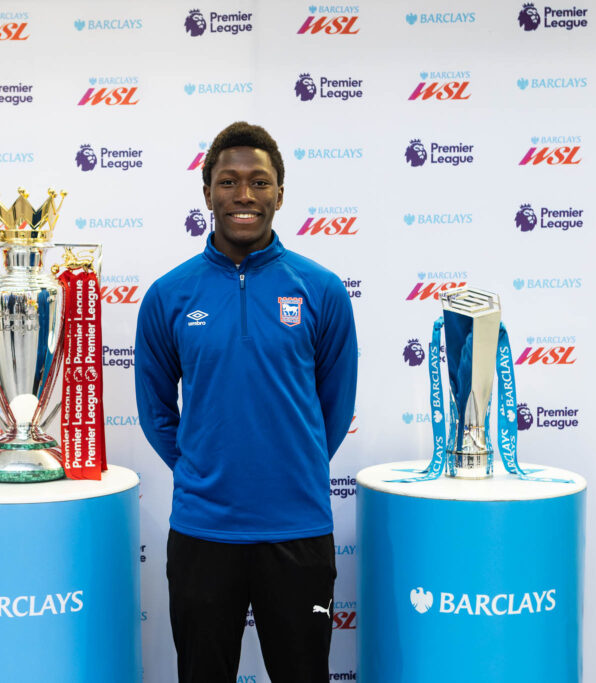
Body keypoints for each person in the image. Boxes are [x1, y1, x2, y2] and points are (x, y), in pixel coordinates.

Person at [135, 121, 358, 683]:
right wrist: (202, 468)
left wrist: (291, 466)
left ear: (280, 194)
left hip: (298, 528)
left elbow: (334, 408)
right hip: (203, 530)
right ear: (207, 192)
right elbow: (156, 410)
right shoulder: (168, 294)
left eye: (259, 182)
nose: (244, 195)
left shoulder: (322, 289)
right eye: (228, 181)